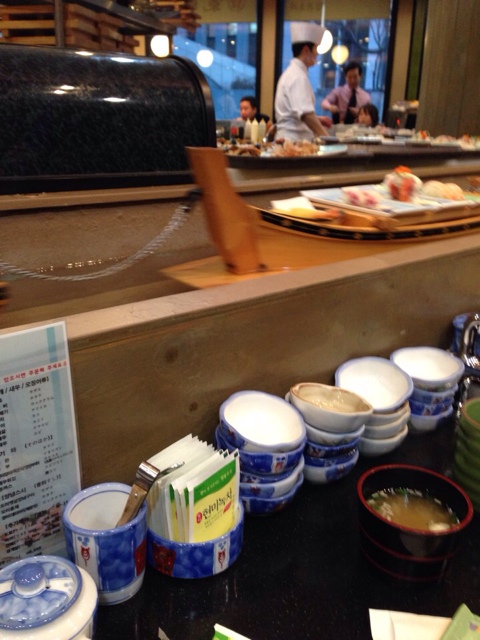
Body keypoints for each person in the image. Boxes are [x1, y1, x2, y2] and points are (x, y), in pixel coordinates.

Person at [274, 22, 333, 141]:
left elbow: (294, 114)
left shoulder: (292, 72)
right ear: (306, 50)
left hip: (290, 140)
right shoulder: (298, 76)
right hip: (294, 142)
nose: (317, 54)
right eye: (315, 49)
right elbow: (307, 115)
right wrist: (328, 139)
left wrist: (318, 119)